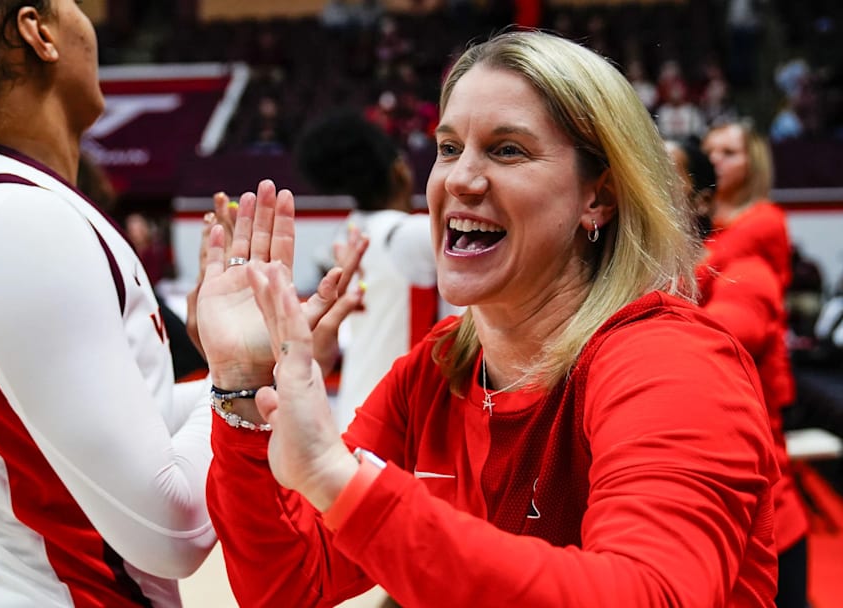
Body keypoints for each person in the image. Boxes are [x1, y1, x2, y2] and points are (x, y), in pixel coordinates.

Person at [196, 31, 778, 607]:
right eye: (449, 148)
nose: (459, 180)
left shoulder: (667, 362)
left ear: (597, 198)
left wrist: (344, 486)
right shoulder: (439, 368)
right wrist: (244, 383)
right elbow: (290, 583)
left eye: (507, 150)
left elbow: (648, 595)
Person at [0, 2, 219, 606]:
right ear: (37, 31)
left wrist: (275, 372)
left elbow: (117, 422)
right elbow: (171, 531)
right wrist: (239, 383)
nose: (88, 23)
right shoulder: (15, 222)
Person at [670, 138, 809, 608]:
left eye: (667, 174)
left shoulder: (748, 258)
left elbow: (715, 339)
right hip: (688, 525)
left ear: (700, 197)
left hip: (758, 520)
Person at [296, 110, 443, 430]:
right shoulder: (405, 235)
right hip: (395, 417)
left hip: (354, 405)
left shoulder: (349, 231)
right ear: (400, 171)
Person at [701, 120, 791, 292]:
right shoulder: (701, 218)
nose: (713, 159)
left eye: (729, 153)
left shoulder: (766, 219)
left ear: (753, 163)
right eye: (707, 152)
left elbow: (704, 269)